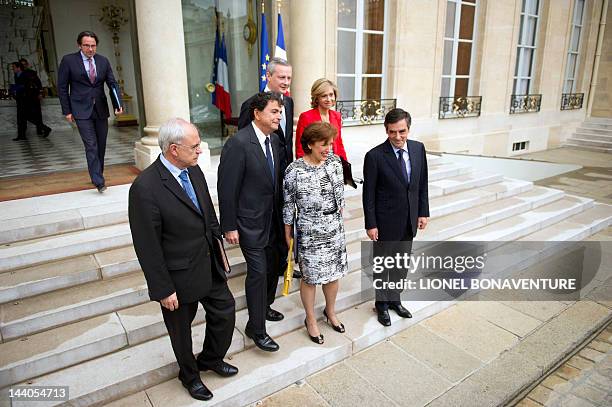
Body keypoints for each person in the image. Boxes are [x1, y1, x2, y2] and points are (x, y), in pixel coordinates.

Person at [128, 118, 237, 401]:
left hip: (208, 265)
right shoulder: (145, 187)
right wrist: (162, 288)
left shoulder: (193, 170)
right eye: (195, 146)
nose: (200, 150)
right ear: (174, 149)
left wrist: (220, 252)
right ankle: (189, 375)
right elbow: (147, 245)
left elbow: (207, 214)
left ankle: (211, 358)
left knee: (225, 312)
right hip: (177, 276)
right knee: (181, 332)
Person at [218, 92, 286, 352]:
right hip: (248, 223)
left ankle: (263, 309)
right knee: (257, 273)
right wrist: (229, 226)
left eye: (279, 112)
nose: (278, 116)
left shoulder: (275, 141)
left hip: (272, 221)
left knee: (270, 268)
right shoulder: (239, 143)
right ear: (257, 114)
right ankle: (257, 330)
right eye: (273, 111)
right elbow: (227, 188)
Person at [362, 108, 430, 326]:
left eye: (402, 131)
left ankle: (395, 300)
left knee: (401, 264)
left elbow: (422, 184)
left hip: (409, 219)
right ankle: (381, 305)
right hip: (385, 221)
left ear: (408, 129)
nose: (398, 137)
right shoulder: (374, 156)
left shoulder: (419, 149)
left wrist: (423, 211)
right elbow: (368, 194)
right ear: (386, 130)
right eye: (392, 132)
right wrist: (371, 224)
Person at [283, 122, 348, 344]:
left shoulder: (335, 162)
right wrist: (288, 232)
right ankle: (310, 319)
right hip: (309, 230)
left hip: (334, 228)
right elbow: (288, 205)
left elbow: (340, 192)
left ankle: (330, 312)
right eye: (323, 144)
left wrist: (339, 211)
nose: (328, 148)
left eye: (330, 143)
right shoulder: (295, 170)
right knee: (310, 278)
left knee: (333, 274)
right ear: (310, 144)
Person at [57, 30, 123, 193]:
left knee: (101, 145)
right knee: (91, 145)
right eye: (86, 45)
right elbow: (62, 87)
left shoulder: (103, 61)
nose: (90, 49)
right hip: (80, 109)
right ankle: (98, 181)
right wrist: (67, 110)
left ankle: (97, 173)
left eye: (93, 45)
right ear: (79, 45)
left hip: (100, 108)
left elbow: (112, 84)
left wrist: (117, 104)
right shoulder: (69, 61)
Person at [238, 57, 293, 171]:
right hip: (265, 171)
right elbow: (244, 141)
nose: (286, 82)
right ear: (268, 76)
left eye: (289, 78)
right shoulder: (250, 104)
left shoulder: (289, 102)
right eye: (282, 77)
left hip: (287, 171)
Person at [295, 78, 347, 162]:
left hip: (334, 164)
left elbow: (339, 144)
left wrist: (344, 164)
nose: (328, 99)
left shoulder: (337, 115)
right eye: (324, 96)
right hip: (314, 164)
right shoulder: (306, 117)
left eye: (331, 95)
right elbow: (300, 148)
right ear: (316, 98)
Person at [10, 61, 51, 141]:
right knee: (21, 118)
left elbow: (26, 86)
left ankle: (45, 128)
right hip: (20, 99)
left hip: (26, 99)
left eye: (14, 67)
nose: (13, 69)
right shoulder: (16, 75)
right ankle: (21, 135)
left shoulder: (26, 74)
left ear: (18, 68)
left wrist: (14, 88)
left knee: (28, 117)